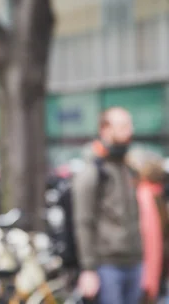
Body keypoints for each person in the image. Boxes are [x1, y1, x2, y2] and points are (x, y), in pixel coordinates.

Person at [73, 107, 142, 304]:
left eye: (129, 125)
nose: (129, 131)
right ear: (105, 130)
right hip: (107, 266)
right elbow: (83, 221)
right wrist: (88, 269)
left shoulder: (128, 168)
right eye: (122, 126)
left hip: (134, 262)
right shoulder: (94, 171)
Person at [127, 149, 169, 303]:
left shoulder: (146, 195)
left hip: (150, 272)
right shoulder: (153, 195)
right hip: (155, 272)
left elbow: (152, 241)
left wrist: (149, 281)